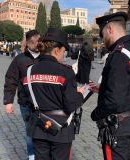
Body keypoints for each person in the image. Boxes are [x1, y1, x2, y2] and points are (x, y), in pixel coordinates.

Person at [90, 12, 130, 160]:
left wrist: (96, 114)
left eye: (102, 35)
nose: (102, 40)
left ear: (109, 29)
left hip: (118, 124)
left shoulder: (118, 56)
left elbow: (113, 101)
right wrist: (102, 88)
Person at [22, 28, 85, 160]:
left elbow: (23, 99)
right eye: (63, 52)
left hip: (38, 127)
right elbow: (70, 105)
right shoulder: (66, 72)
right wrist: (79, 94)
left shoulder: (29, 71)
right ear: (56, 50)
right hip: (62, 129)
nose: (63, 56)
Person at [3, 30, 40, 160]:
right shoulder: (19, 59)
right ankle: (32, 155)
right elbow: (11, 80)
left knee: (44, 130)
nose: (36, 44)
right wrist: (8, 102)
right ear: (28, 43)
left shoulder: (46, 58)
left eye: (38, 41)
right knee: (30, 130)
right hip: (26, 102)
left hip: (44, 102)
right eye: (33, 41)